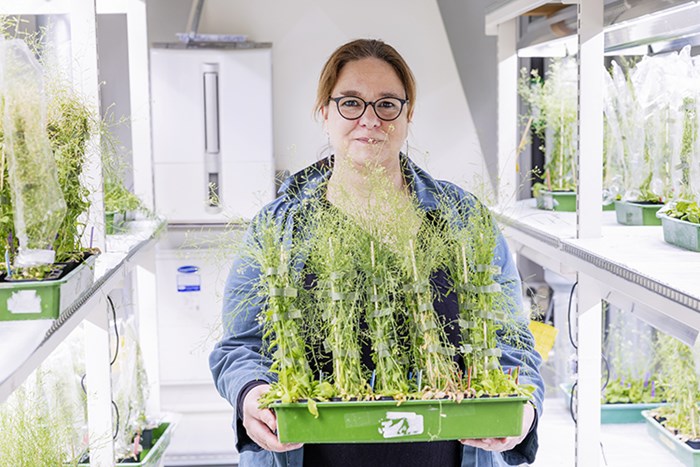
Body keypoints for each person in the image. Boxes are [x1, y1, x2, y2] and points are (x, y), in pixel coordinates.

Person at [210, 38, 544, 467]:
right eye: (351, 102)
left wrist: (524, 410)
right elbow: (240, 346)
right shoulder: (279, 226)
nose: (370, 119)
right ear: (324, 112)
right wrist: (252, 393)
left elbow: (512, 342)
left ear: (407, 115)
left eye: (387, 104)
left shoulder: (462, 219)